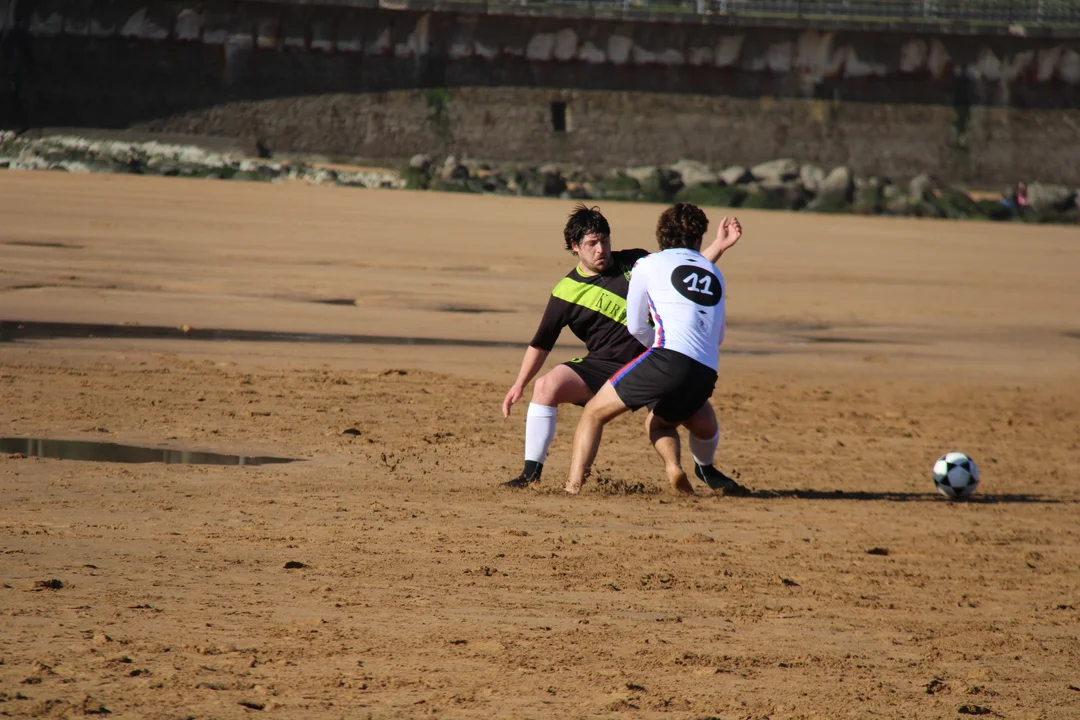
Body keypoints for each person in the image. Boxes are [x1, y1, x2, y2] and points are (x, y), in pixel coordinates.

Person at [502, 203, 748, 496]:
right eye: (592, 243)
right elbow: (541, 343)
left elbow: (681, 272)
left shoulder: (635, 261)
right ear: (574, 246)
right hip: (605, 365)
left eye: (605, 240)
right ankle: (531, 474)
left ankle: (705, 470)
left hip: (652, 359)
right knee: (546, 386)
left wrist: (718, 247)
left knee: (704, 424)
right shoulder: (565, 291)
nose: (601, 249)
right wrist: (519, 384)